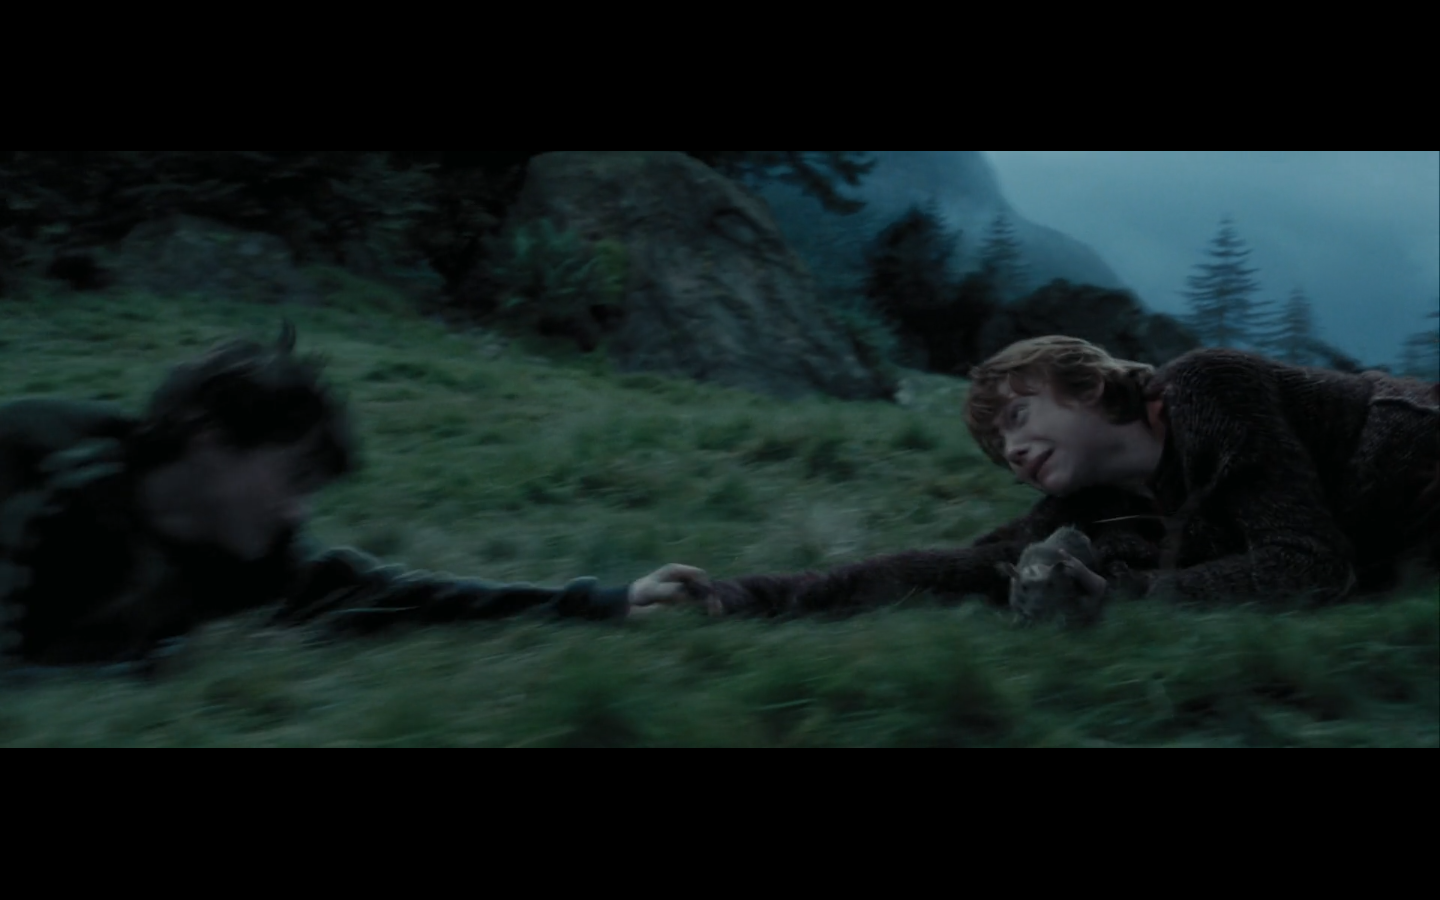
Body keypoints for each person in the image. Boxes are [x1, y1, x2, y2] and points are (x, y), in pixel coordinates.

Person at [0, 324, 706, 674]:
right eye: (292, 478)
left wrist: (603, 602)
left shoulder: (255, 555)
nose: (297, 513)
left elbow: (394, 597)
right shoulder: (37, 467)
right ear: (208, 441)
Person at [635, 336, 1439, 619]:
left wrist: (1117, 600)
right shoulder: (1094, 509)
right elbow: (953, 569)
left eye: (1018, 416)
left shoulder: (1206, 387)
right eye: (1000, 449)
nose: (1014, 452)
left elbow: (1308, 565)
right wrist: (734, 596)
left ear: (1085, 386)